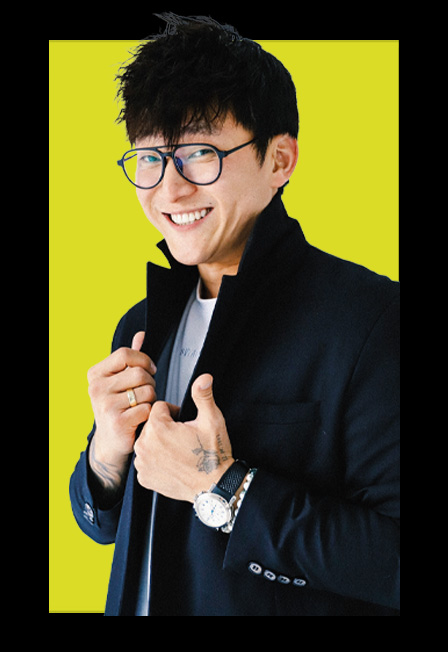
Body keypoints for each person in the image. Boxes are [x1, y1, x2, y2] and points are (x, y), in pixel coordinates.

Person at [70, 16, 400, 616]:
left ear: (280, 159)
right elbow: (103, 526)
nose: (169, 189)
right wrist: (106, 457)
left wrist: (224, 487)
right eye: (149, 158)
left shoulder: (372, 320)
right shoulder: (140, 324)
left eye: (200, 153)